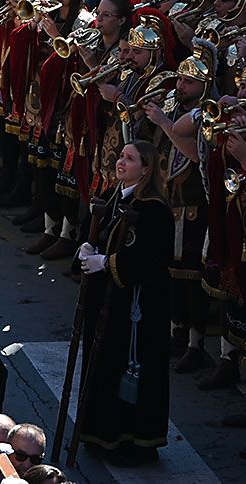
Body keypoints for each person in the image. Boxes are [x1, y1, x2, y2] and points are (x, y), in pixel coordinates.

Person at [73, 139, 173, 466]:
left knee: (128, 371)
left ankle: (134, 440)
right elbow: (98, 236)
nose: (121, 162)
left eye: (130, 159)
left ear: (146, 169)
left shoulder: (155, 209)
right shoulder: (115, 197)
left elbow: (151, 260)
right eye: (121, 156)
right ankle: (99, 433)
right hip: (106, 301)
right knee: (101, 366)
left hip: (136, 310)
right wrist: (85, 252)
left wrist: (109, 263)